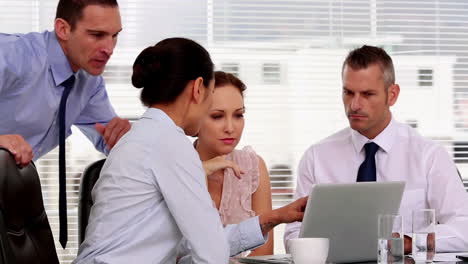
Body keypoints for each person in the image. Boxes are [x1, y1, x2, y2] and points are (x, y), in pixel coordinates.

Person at [74, 37, 307, 264]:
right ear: (198, 89)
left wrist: (274, 218)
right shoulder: (170, 144)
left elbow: (191, 244)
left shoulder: (146, 135)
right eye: (211, 102)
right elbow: (211, 253)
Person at [284, 45, 468, 253]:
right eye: (348, 92)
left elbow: (464, 228)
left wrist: (409, 241)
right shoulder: (317, 157)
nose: (354, 105)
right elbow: (294, 234)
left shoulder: (429, 156)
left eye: (367, 94)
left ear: (392, 95)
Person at [0, 0, 130, 166]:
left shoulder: (89, 82)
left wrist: (124, 136)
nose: (109, 49)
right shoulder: (14, 54)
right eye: (97, 35)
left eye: (114, 35)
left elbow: (112, 141)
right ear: (63, 29)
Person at [195, 71, 274, 256]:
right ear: (195, 116)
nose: (230, 128)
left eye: (238, 115)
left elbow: (263, 252)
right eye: (217, 116)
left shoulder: (253, 166)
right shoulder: (176, 166)